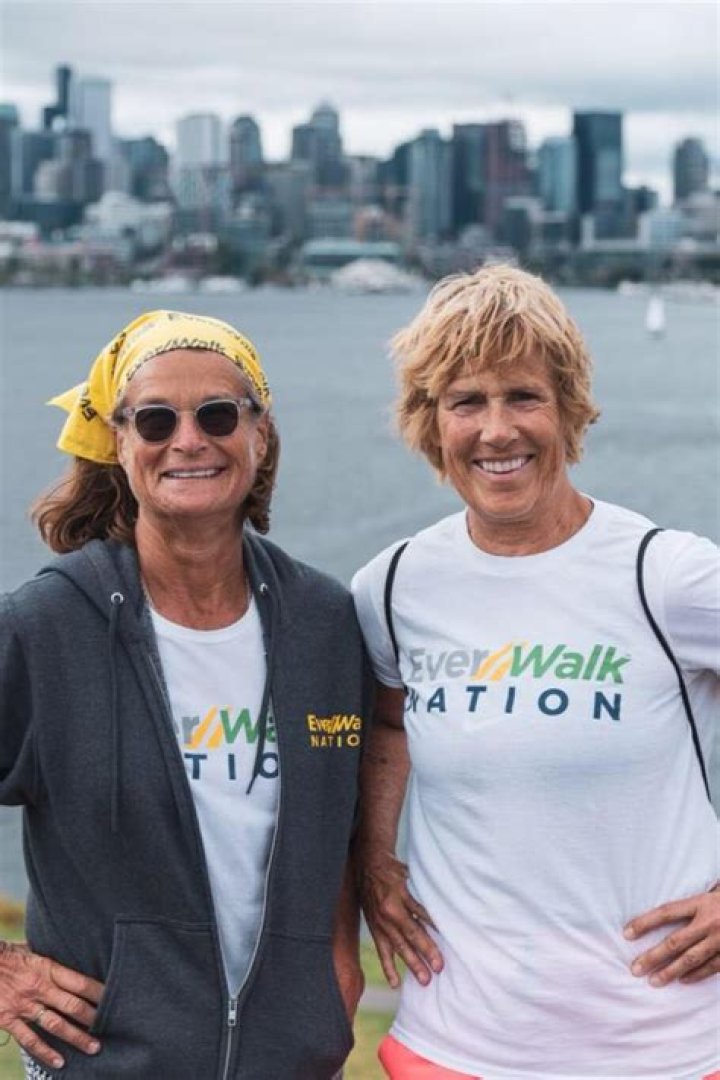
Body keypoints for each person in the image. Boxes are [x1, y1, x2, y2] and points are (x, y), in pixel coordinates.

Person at [351, 265, 720, 1080]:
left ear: (569, 410)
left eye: (523, 397)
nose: (496, 431)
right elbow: (387, 721)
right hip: (456, 1044)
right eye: (466, 402)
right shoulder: (395, 585)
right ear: (430, 422)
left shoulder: (665, 576)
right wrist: (375, 860)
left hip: (666, 1048)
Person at [0, 310, 372, 1079]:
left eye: (218, 415)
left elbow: (337, 815)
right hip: (107, 1064)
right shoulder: (47, 627)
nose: (189, 440)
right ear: (118, 443)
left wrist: (336, 967)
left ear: (260, 434)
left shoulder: (325, 621)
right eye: (156, 420)